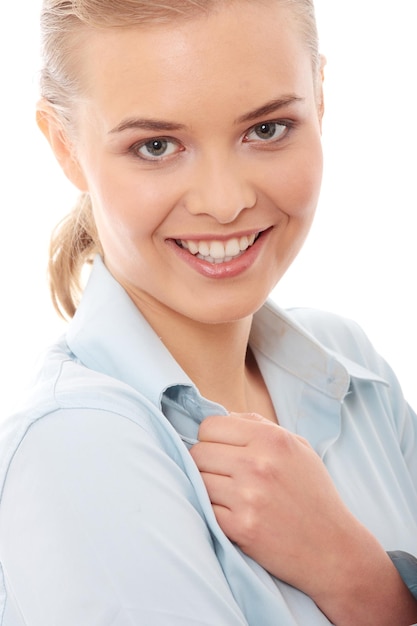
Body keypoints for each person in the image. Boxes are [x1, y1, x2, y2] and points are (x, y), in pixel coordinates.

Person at [0, 0, 416, 624]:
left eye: (267, 129)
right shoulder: (77, 449)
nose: (224, 203)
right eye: (157, 145)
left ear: (320, 99)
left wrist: (354, 573)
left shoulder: (354, 367)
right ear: (65, 145)